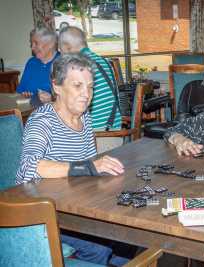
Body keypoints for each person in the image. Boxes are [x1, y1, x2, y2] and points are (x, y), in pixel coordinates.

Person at [16, 54, 127, 266]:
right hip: (41, 215)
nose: (87, 94)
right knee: (104, 245)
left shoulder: (84, 117)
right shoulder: (42, 120)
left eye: (90, 87)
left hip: (73, 208)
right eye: (77, 86)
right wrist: (88, 167)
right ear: (57, 87)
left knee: (127, 234)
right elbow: (29, 167)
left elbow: (88, 169)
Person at [58, 26, 122, 153]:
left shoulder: (78, 67)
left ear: (67, 48)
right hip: (115, 132)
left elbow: (68, 107)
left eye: (60, 50)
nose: (60, 54)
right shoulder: (103, 61)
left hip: (98, 138)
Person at [17, 27, 59, 103]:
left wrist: (52, 99)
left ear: (50, 44)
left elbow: (72, 97)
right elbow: (20, 90)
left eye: (36, 43)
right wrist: (25, 94)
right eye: (31, 43)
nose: (32, 47)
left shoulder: (64, 62)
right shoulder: (31, 62)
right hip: (30, 111)